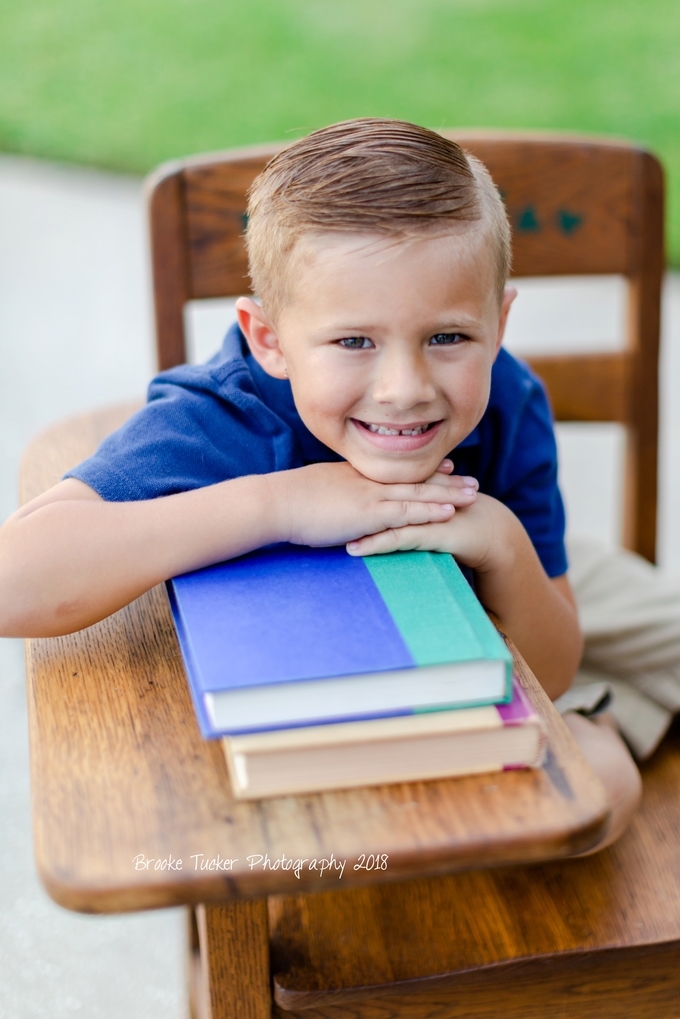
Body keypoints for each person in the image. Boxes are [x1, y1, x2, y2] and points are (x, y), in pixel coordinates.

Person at [0, 118, 641, 847]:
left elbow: (554, 668)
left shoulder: (511, 402)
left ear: (498, 322)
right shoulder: (227, 416)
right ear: (267, 338)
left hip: (471, 673)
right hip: (296, 732)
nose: (404, 389)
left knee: (599, 788)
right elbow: (12, 579)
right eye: (353, 341)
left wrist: (500, 539)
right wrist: (282, 501)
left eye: (448, 337)